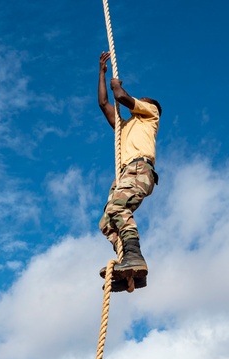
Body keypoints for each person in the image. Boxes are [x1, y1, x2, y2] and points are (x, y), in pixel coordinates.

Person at [97, 51, 161, 291]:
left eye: (144, 100)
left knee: (118, 208)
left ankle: (135, 257)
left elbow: (121, 96)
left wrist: (117, 86)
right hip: (125, 173)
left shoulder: (150, 116)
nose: (140, 101)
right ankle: (131, 268)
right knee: (106, 221)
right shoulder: (124, 127)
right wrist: (102, 74)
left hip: (139, 168)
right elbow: (105, 104)